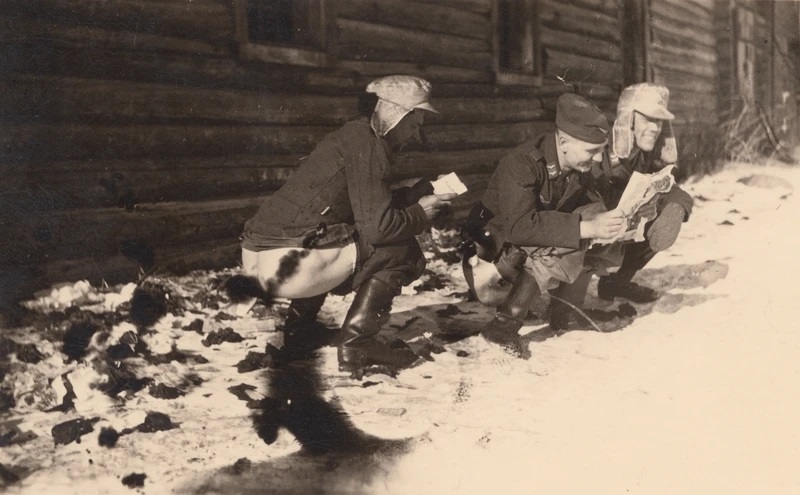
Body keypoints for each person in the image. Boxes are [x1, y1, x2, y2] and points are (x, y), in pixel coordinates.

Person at [235, 75, 455, 371]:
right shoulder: (370, 146)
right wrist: (421, 213)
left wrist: (414, 195)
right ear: (395, 112)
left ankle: (300, 334)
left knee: (336, 233)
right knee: (402, 251)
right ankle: (358, 344)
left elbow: (357, 207)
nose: (416, 134)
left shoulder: (351, 136)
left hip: (258, 257)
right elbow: (379, 228)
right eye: (414, 123)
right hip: (292, 265)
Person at [463, 93, 626, 356]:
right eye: (592, 150)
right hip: (492, 267)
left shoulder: (579, 164)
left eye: (602, 150)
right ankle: (503, 325)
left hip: (524, 260)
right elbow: (520, 227)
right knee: (580, 227)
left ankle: (564, 311)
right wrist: (586, 228)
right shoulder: (522, 164)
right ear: (563, 142)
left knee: (595, 216)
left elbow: (593, 208)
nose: (598, 158)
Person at [592, 82, 694, 304]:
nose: (655, 128)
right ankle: (556, 300)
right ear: (629, 119)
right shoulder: (599, 152)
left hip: (617, 228)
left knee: (661, 217)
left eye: (658, 121)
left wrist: (674, 208)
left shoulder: (644, 154)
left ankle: (616, 283)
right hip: (587, 228)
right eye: (648, 119)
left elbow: (671, 189)